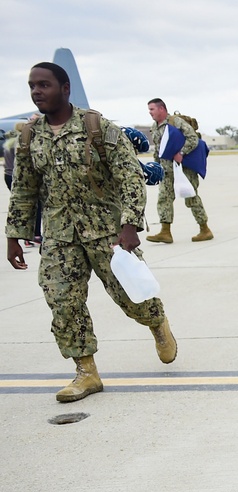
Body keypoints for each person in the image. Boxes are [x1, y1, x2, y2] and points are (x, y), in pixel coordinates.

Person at [5, 62, 177, 403]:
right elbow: (24, 188)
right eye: (32, 86)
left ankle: (157, 323)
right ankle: (87, 372)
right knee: (62, 301)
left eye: (44, 85)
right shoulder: (28, 135)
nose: (37, 91)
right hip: (58, 235)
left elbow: (130, 177)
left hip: (107, 231)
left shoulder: (98, 127)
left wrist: (129, 225)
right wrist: (14, 235)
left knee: (131, 297)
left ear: (65, 88)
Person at [146, 98, 213, 244]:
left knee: (191, 198)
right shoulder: (155, 126)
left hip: (183, 169)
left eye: (152, 109)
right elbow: (159, 149)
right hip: (166, 170)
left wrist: (181, 153)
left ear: (161, 109)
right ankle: (165, 232)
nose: (150, 112)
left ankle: (205, 229)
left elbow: (193, 139)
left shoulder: (175, 122)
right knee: (164, 198)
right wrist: (156, 167)